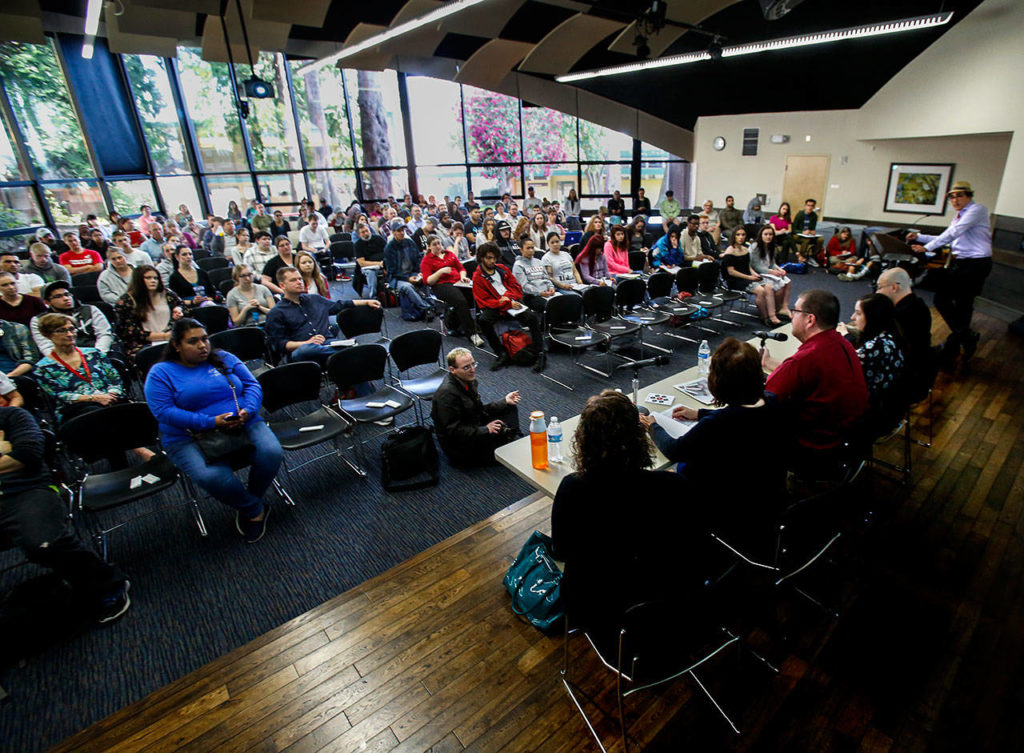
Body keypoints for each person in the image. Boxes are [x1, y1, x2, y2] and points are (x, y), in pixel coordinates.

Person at [551, 390, 697, 629]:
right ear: (638, 437)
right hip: (660, 591)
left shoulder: (572, 488)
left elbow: (561, 550)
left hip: (593, 602)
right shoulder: (670, 485)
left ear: (583, 439)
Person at [145, 319, 283, 543]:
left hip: (242, 422)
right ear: (176, 345)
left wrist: (248, 409)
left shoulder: (224, 358)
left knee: (271, 453)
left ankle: (249, 502)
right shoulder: (161, 373)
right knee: (213, 477)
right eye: (193, 341)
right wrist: (210, 422)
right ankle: (254, 508)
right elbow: (163, 411)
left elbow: (252, 385)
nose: (202, 345)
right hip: (188, 435)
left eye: (204, 339)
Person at [642, 338, 786, 542]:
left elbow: (675, 449)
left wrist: (652, 425)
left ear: (719, 383)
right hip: (765, 497)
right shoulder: (771, 400)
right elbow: (742, 412)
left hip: (725, 511)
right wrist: (700, 413)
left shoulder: (719, 423)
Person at [0, 406, 131, 622]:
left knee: (45, 543)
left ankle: (107, 582)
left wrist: (12, 455)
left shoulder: (12, 416)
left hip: (26, 491)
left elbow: (28, 453)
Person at [762, 289, 869, 463]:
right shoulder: (843, 343)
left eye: (795, 311)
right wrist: (768, 362)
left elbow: (765, 402)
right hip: (848, 443)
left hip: (813, 450)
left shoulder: (806, 358)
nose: (791, 316)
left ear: (810, 319)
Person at [906, 180, 992, 367]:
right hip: (963, 263)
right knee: (962, 305)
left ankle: (963, 337)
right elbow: (949, 236)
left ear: (969, 196)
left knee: (942, 298)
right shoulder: (960, 217)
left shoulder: (977, 210)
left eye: (959, 195)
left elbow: (953, 233)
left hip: (976, 264)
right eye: (952, 197)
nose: (955, 200)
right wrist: (920, 237)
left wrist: (925, 248)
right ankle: (959, 342)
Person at [265, 266, 380, 366]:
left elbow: (340, 305)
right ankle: (344, 351)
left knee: (351, 362)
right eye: (293, 280)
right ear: (282, 285)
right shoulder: (276, 312)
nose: (299, 282)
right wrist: (307, 342)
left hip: (327, 343)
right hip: (302, 350)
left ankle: (342, 353)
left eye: (300, 279)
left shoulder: (314, 299)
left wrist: (366, 302)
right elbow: (280, 344)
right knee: (306, 350)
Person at [32, 313, 131, 423]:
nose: (69, 334)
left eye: (72, 329)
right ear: (48, 335)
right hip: (76, 408)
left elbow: (115, 379)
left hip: (111, 399)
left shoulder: (94, 353)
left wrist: (112, 394)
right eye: (61, 330)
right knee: (94, 412)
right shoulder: (42, 368)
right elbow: (61, 395)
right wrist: (95, 398)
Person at [430, 347, 521, 466]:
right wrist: (485, 429)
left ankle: (506, 437)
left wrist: (504, 401)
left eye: (473, 364)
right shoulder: (447, 395)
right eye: (466, 367)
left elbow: (478, 409)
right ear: (452, 369)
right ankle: (505, 439)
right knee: (506, 453)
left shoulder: (468, 380)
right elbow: (454, 431)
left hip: (473, 424)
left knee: (509, 407)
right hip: (460, 446)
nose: (472, 370)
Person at [471, 243, 545, 372]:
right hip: (496, 306)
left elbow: (516, 287)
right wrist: (505, 303)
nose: (492, 261)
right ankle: (501, 353)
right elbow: (483, 301)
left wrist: (508, 299)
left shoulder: (502, 269)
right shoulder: (478, 276)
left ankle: (539, 352)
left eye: (494, 258)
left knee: (532, 317)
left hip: (510, 303)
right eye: (488, 258)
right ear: (482, 258)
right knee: (483, 320)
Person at [842, 293, 905, 408]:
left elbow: (847, 363)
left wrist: (845, 336)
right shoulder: (891, 334)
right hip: (887, 401)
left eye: (859, 313)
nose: (853, 317)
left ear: (873, 318)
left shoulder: (876, 346)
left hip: (871, 408)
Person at [114, 266, 187, 363]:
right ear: (139, 280)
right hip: (144, 344)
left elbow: (183, 306)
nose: (153, 281)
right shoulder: (126, 301)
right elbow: (129, 332)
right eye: (148, 278)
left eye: (155, 278)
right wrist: (164, 336)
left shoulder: (167, 293)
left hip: (171, 337)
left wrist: (178, 309)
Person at [420, 235, 479, 345]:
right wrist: (440, 271)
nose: (438, 246)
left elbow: (461, 268)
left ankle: (477, 324)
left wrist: (463, 276)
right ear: (429, 247)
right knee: (460, 301)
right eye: (434, 244)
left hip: (457, 281)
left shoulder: (449, 254)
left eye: (439, 243)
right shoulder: (427, 260)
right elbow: (427, 281)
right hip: (441, 285)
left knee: (476, 294)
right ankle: (471, 333)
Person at [30, 281, 114, 356]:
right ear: (47, 302)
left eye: (67, 294)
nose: (66, 299)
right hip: (63, 358)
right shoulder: (39, 320)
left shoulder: (90, 310)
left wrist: (97, 354)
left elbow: (104, 334)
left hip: (97, 352)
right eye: (58, 296)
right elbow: (46, 347)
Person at [876, 266, 932, 377]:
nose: (877, 292)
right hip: (920, 366)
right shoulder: (919, 305)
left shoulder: (899, 315)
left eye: (879, 287)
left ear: (894, 287)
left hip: (903, 373)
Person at [721, 227, 780, 325]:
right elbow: (731, 272)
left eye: (743, 235)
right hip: (736, 280)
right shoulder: (729, 251)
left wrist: (755, 275)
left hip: (748, 277)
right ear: (734, 236)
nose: (741, 237)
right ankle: (764, 317)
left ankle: (772, 315)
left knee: (768, 287)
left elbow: (749, 267)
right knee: (761, 291)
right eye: (738, 235)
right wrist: (749, 277)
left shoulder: (745, 249)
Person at [383, 220, 432, 321]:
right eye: (399, 230)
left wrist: (419, 271)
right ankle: (426, 307)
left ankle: (430, 303)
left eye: (403, 230)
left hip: (412, 272)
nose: (402, 232)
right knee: (407, 287)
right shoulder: (389, 248)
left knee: (425, 279)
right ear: (393, 232)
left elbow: (418, 259)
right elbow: (392, 271)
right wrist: (407, 278)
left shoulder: (409, 242)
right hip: (398, 277)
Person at [748, 225, 792, 320]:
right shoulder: (755, 246)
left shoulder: (771, 246)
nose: (768, 237)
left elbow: (772, 263)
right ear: (761, 235)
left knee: (787, 281)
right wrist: (771, 271)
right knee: (778, 284)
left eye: (770, 234)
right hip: (757, 273)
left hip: (768, 272)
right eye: (766, 234)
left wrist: (779, 269)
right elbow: (755, 265)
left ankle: (783, 307)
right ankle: (774, 309)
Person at [513, 237, 558, 312]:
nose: (531, 250)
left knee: (563, 302)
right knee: (551, 306)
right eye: (528, 248)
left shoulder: (539, 262)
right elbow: (524, 286)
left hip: (547, 293)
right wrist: (539, 293)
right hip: (531, 296)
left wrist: (551, 287)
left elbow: (546, 278)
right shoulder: (518, 265)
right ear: (521, 250)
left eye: (532, 248)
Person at [354, 222, 386, 299]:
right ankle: (373, 296)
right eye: (363, 232)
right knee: (371, 273)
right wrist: (379, 264)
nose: (366, 233)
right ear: (359, 234)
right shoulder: (358, 245)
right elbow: (361, 263)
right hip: (368, 267)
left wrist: (384, 264)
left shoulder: (378, 239)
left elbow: (388, 252)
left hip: (384, 264)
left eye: (367, 231)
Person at [791, 198, 823, 264]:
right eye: (808, 205)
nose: (810, 207)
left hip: (808, 235)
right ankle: (801, 257)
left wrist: (812, 231)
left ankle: (813, 256)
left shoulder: (814, 216)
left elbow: (812, 228)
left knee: (820, 240)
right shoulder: (800, 215)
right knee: (805, 240)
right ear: (805, 206)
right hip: (798, 235)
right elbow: (793, 229)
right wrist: (802, 232)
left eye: (812, 206)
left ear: (814, 207)